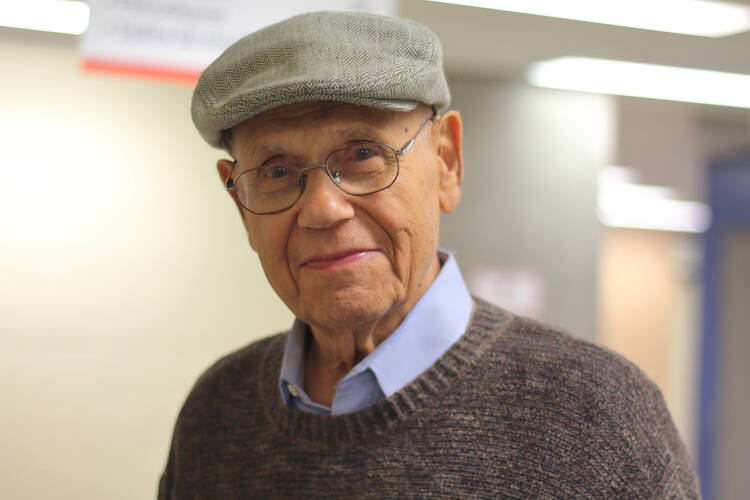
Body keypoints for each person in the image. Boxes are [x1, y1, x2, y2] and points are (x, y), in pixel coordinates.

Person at [159, 11, 700, 499]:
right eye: (277, 170)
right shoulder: (217, 413)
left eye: (364, 154)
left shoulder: (595, 416)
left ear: (447, 162)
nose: (323, 208)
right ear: (240, 200)